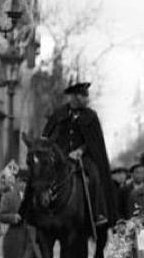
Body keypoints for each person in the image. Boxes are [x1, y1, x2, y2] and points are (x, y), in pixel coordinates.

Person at [42, 82, 115, 229]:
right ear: (73, 97)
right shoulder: (59, 114)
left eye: (86, 96)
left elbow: (94, 142)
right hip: (60, 157)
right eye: (83, 96)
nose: (86, 99)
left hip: (83, 157)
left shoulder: (91, 116)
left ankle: (97, 213)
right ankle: (32, 211)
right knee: (40, 175)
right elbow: (48, 136)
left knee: (94, 175)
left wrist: (80, 150)